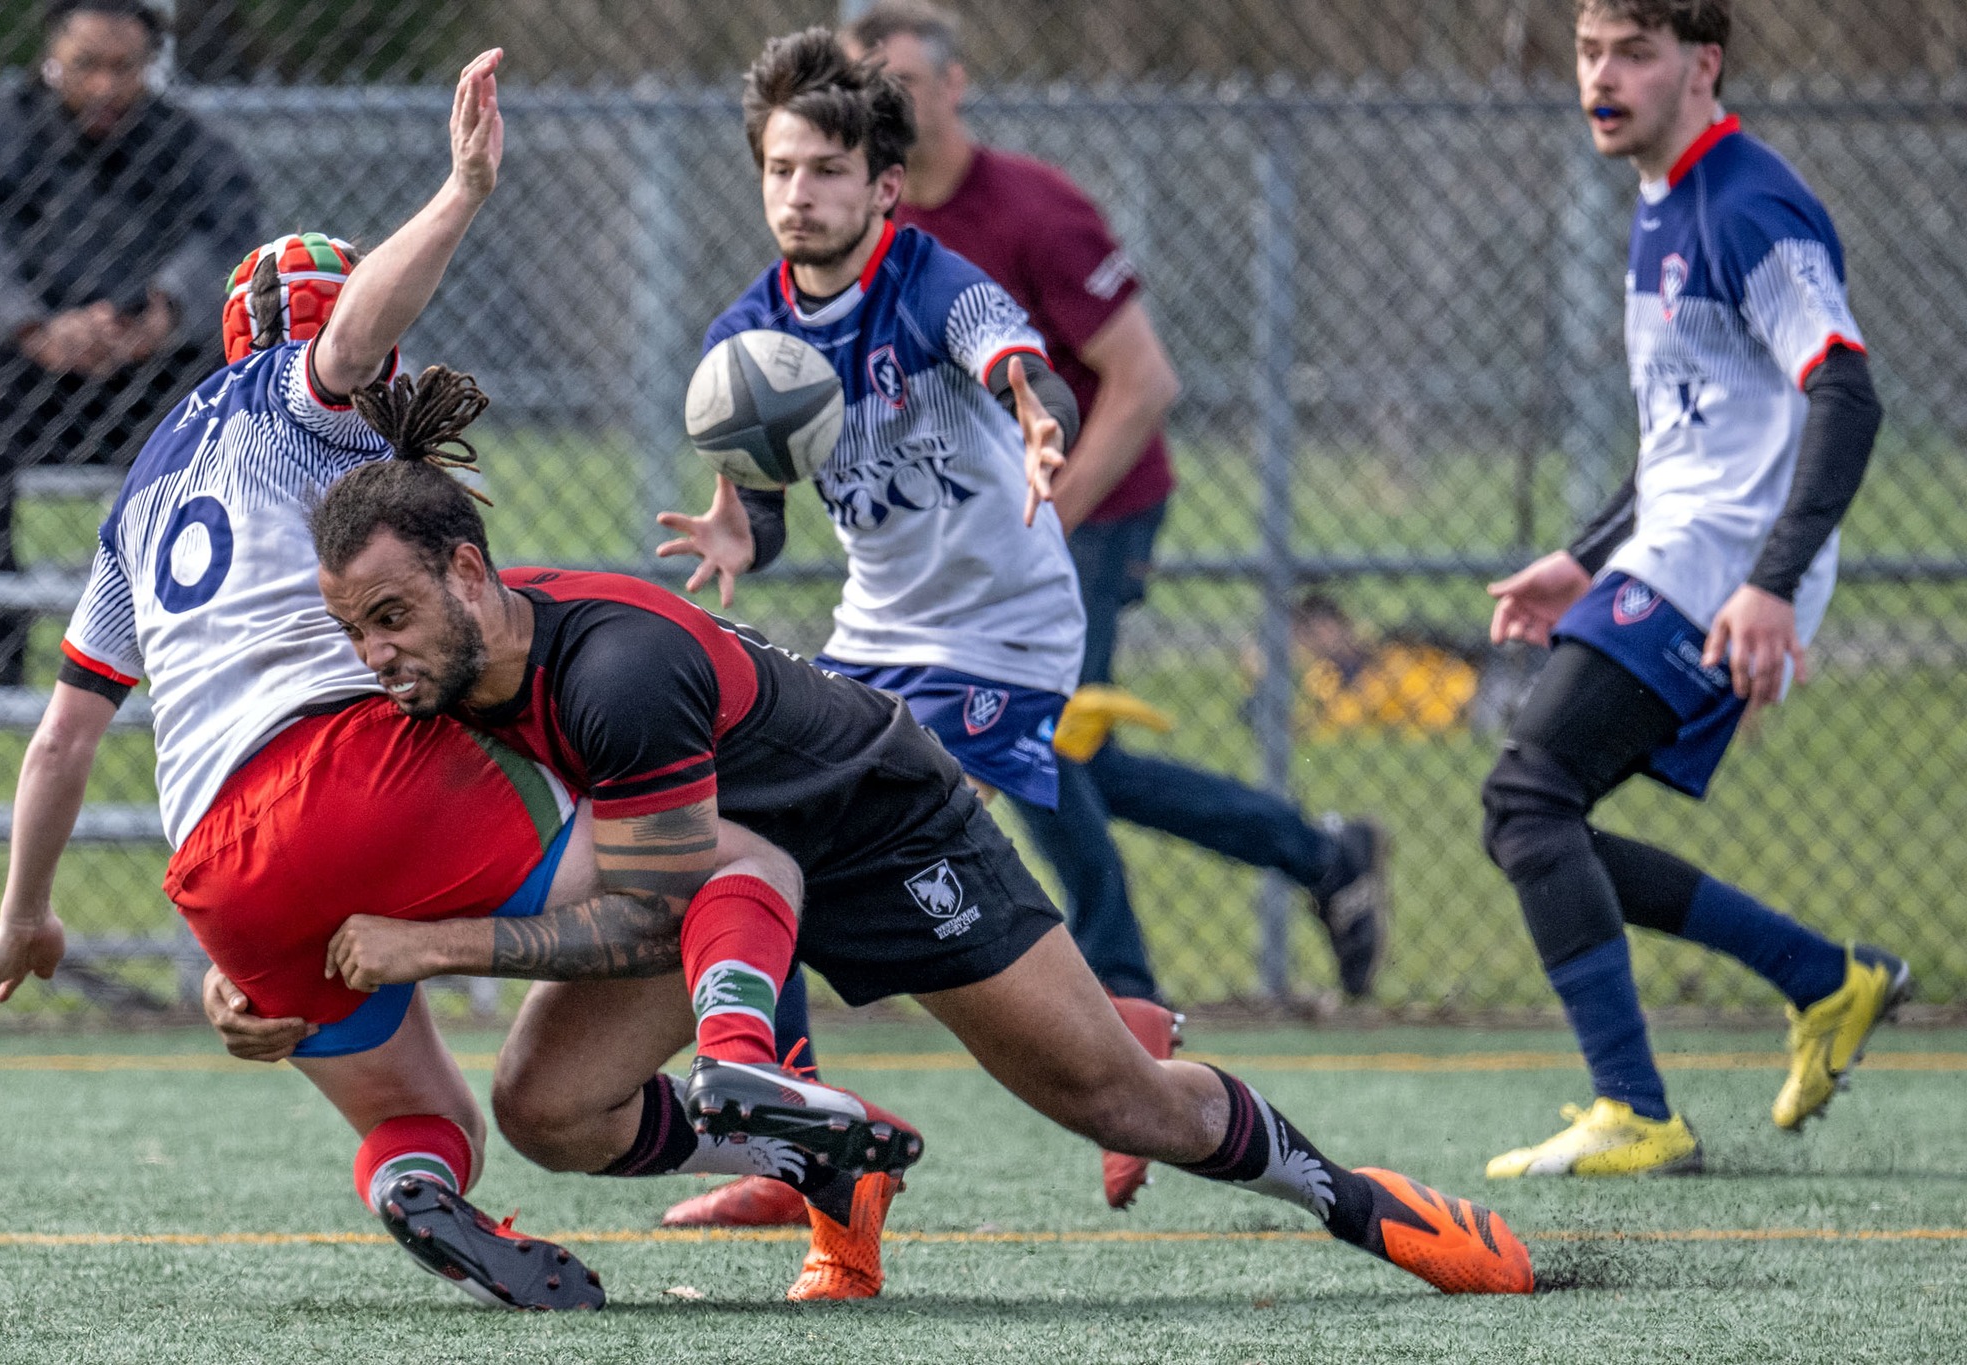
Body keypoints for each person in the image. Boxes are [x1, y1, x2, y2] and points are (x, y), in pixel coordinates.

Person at [300, 366, 1539, 1306]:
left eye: (394, 615)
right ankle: (825, 1158)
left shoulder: (611, 672)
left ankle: (1355, 1202)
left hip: (888, 835)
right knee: (546, 1110)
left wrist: (428, 948)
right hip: (739, 874)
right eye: (355, 629)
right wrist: (273, 972)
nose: (376, 655)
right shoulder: (443, 676)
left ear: (470, 573)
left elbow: (645, 909)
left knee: (1119, 1101)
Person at [0, 51, 799, 1312]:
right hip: (355, 773)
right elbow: (343, 343)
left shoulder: (141, 497)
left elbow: (62, 742)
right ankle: (765, 1093)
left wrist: (27, 915)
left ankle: (415, 1189)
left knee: (427, 1118)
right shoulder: (306, 400)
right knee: (723, 868)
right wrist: (458, 191)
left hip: (216, 869)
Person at [649, 28, 1126, 1226]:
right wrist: (734, 537)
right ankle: (791, 1134)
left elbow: (1016, 357)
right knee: (754, 834)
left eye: (824, 171)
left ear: (881, 186)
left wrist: (1035, 411)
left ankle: (1111, 1040)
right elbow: (763, 521)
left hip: (1002, 636)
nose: (798, 194)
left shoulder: (929, 281)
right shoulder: (746, 342)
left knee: (853, 850)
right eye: (779, 170)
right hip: (877, 633)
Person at [847, 4, 1391, 1006]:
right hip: (985, 534)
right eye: (862, 90)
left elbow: (1142, 382)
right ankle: (1322, 854)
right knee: (1079, 756)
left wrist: (1046, 521)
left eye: (903, 88)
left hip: (1094, 508)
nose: (879, 107)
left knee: (1038, 745)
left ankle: (1124, 993)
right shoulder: (875, 225)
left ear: (954, 86)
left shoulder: (1033, 209)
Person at [1479, 0, 1903, 1179]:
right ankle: (1826, 978)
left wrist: (1771, 584)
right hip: (1675, 554)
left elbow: (1845, 389)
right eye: (1586, 52)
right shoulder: (1660, 198)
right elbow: (1695, 432)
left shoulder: (1744, 201)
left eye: (1632, 53)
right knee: (1535, 821)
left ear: (1700, 64)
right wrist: (1584, 551)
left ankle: (1636, 1111)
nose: (1599, 77)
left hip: (1721, 572)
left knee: (1526, 802)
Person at [0, 0, 261, 687]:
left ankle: (176, 636)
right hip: (19, 384)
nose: (105, 86)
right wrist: (29, 324)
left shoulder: (181, 142)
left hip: (140, 380)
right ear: (51, 59)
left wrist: (165, 309)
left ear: (149, 67)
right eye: (86, 66)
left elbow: (231, 226)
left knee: (213, 376)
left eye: (124, 68)